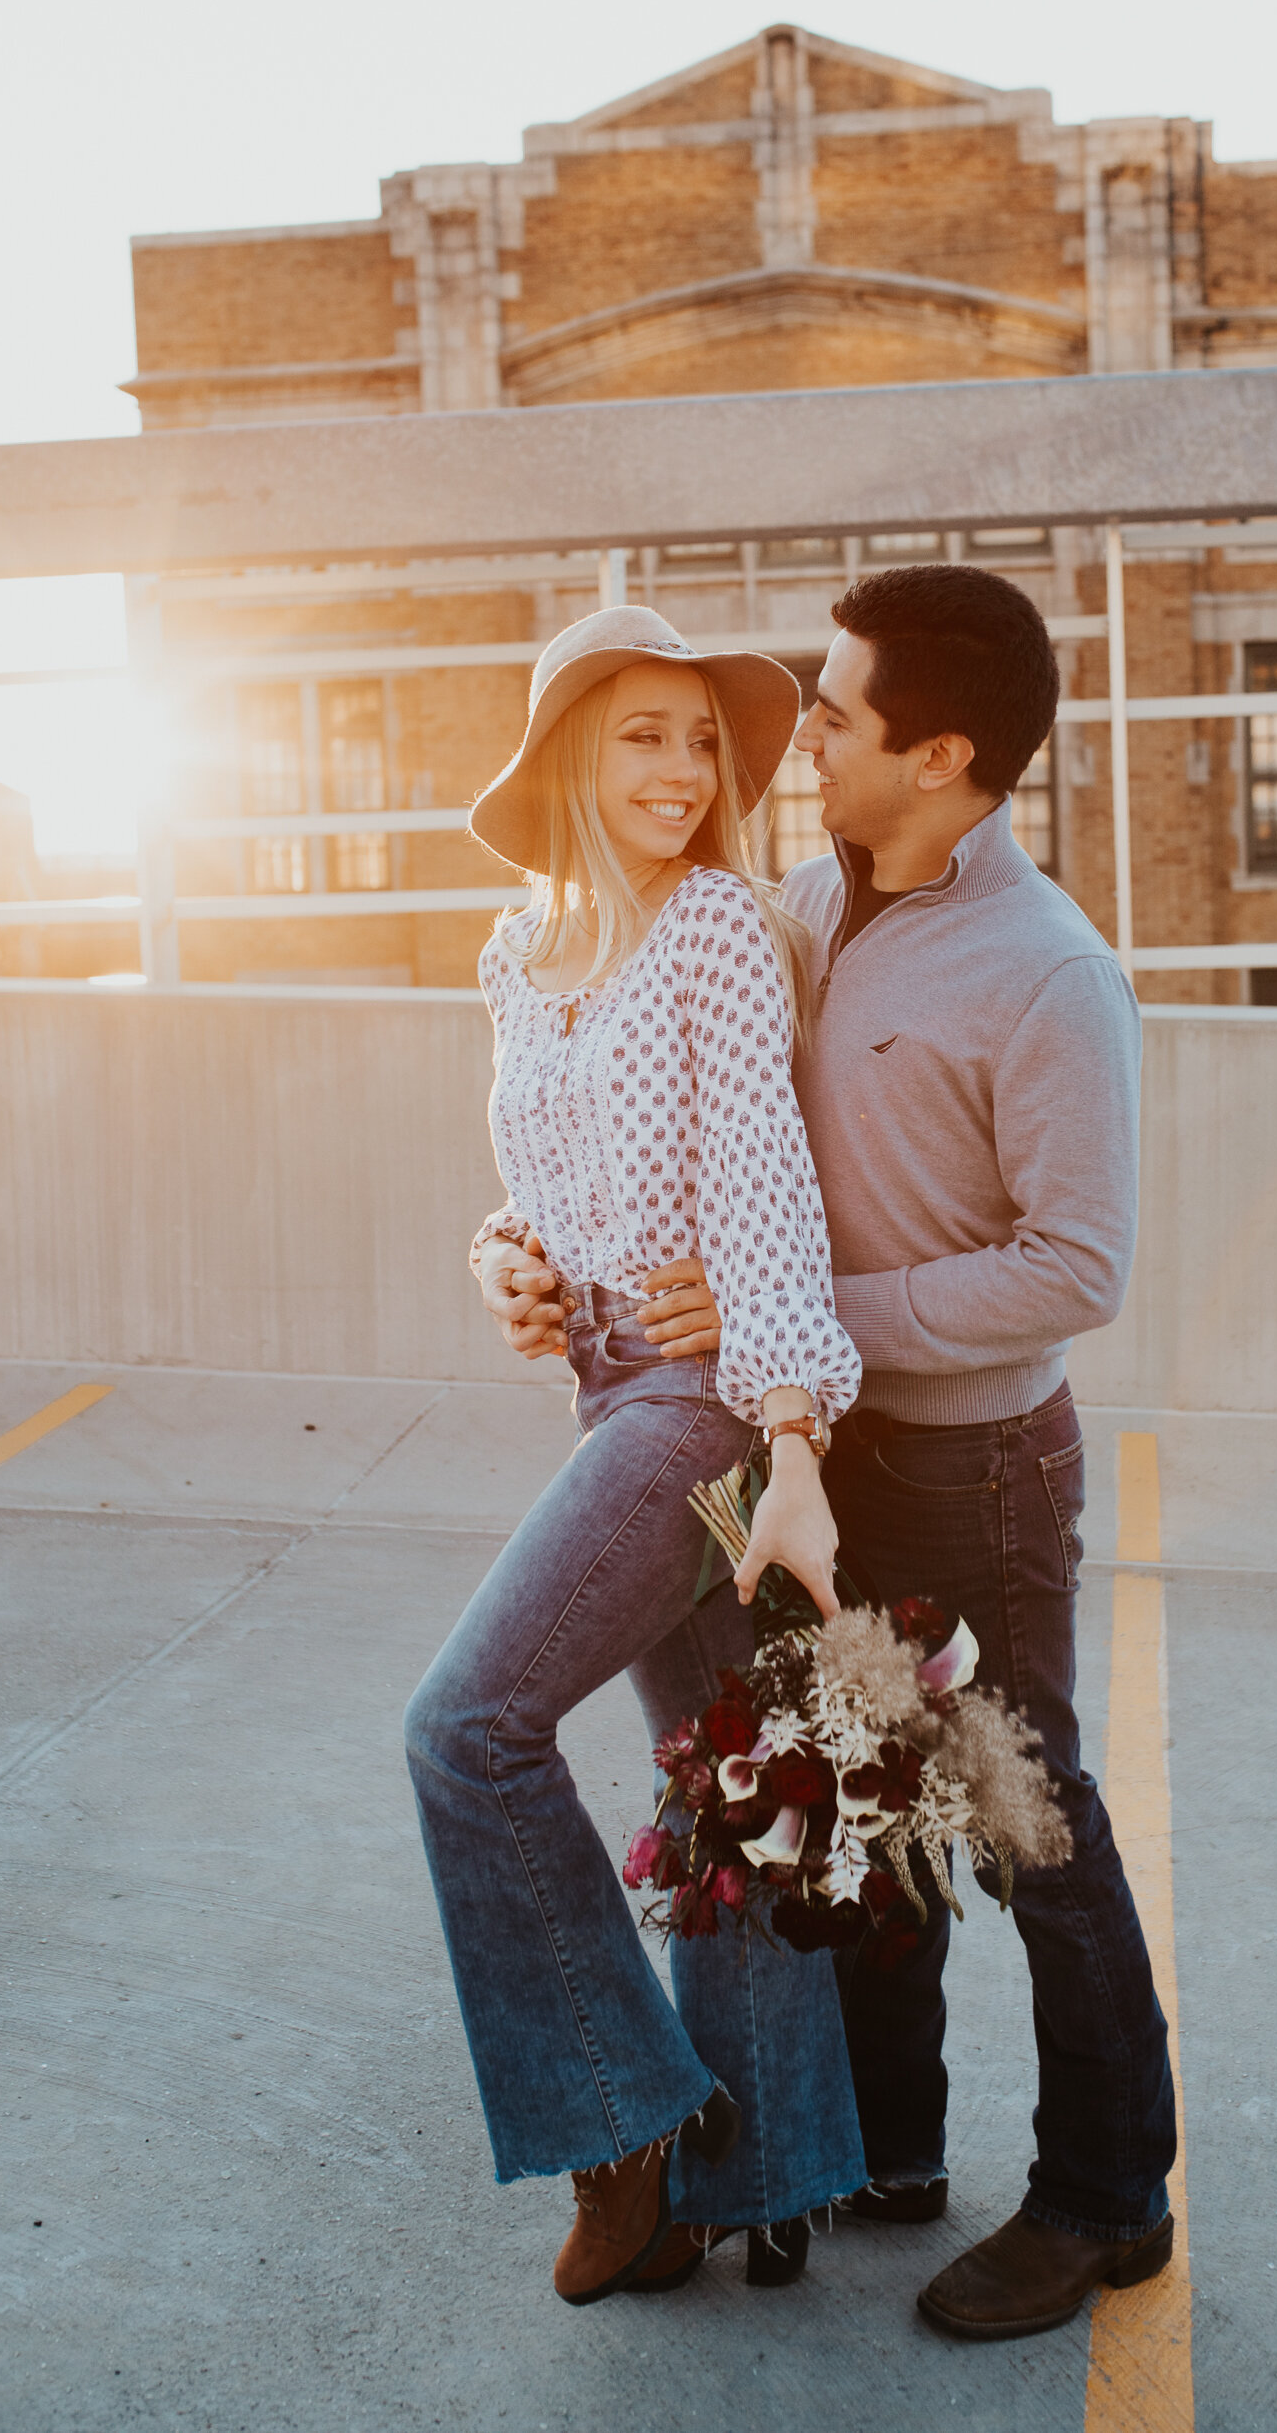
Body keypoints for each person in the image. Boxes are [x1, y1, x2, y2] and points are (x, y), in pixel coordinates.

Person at [482, 563, 1177, 2343]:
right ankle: (888, 2145)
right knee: (854, 1805)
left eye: (842, 713)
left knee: (1028, 1823)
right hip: (813, 1448)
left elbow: (1074, 1266)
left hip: (976, 1464)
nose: (806, 734)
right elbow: (659, 1112)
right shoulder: (800, 900)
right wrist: (525, 1243)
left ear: (940, 755)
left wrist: (803, 1319)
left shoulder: (1051, 974)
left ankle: (1108, 2193)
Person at [407, 604, 865, 2310]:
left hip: (707, 1396)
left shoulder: (719, 936)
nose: (684, 771)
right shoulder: (517, 956)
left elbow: (760, 1182)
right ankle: (775, 2163)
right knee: (725, 1772)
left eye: (703, 739)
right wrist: (503, 1257)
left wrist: (795, 1436)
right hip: (604, 1379)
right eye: (642, 737)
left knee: (464, 1729)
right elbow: (549, 1167)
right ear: (565, 760)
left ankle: (625, 2135)